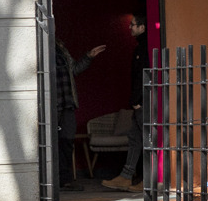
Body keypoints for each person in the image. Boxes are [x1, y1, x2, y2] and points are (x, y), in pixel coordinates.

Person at [108, 12, 152, 191]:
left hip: (143, 101)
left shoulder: (144, 48)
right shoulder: (142, 46)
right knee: (135, 138)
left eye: (133, 25)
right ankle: (126, 176)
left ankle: (148, 180)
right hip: (140, 101)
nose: (130, 27)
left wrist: (136, 100)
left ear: (142, 27)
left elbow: (143, 75)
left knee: (147, 140)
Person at [54, 38, 103, 188]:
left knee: (67, 140)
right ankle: (50, 181)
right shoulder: (37, 45)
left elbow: (74, 69)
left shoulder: (60, 47)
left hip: (67, 102)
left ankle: (65, 180)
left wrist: (88, 56)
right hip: (51, 104)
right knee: (51, 142)